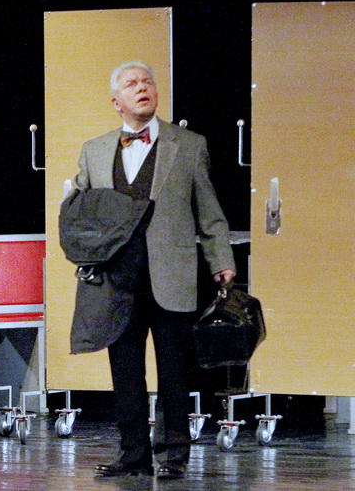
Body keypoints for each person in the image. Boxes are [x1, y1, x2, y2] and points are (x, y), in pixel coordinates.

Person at [74, 61, 236, 479]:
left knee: (174, 372)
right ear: (116, 102)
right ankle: (133, 454)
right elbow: (79, 211)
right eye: (131, 84)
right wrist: (84, 255)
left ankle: (173, 455)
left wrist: (221, 260)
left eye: (147, 82)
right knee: (125, 371)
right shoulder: (94, 150)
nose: (142, 88)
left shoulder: (189, 144)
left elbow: (209, 210)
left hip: (172, 273)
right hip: (117, 278)